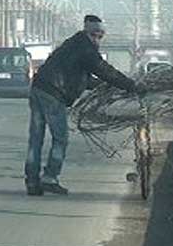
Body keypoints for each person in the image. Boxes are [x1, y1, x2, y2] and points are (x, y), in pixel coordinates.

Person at [24, 15, 145, 196]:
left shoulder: (72, 44)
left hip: (39, 88)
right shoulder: (86, 49)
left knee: (36, 138)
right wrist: (131, 86)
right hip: (53, 93)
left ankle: (32, 181)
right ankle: (50, 177)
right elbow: (104, 70)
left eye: (100, 36)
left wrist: (105, 87)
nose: (97, 39)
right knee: (60, 138)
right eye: (95, 35)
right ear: (87, 32)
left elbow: (82, 77)